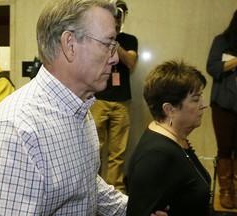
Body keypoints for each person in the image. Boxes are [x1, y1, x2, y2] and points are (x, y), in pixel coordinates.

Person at [0, 1, 167, 215]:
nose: (114, 58)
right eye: (108, 44)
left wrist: (137, 210)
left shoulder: (80, 109)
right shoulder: (15, 129)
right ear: (70, 44)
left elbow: (86, 185)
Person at [125, 60, 211, 216]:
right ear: (169, 109)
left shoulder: (176, 139)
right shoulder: (156, 155)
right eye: (196, 99)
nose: (203, 105)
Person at [90, 0, 138, 193]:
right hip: (98, 101)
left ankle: (115, 190)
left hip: (121, 102)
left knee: (118, 152)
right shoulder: (96, 38)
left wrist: (113, 40)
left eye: (119, 17)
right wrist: (104, 36)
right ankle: (92, 189)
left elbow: (131, 62)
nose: (117, 20)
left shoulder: (129, 40)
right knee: (95, 149)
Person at [206, 10, 237, 209]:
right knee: (225, 148)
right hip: (223, 104)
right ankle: (225, 191)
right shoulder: (222, 40)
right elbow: (213, 67)